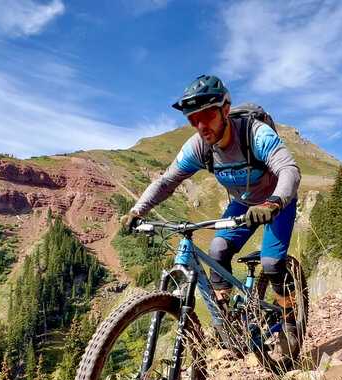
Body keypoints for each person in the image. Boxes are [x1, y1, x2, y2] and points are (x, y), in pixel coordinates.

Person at [121, 74, 301, 345]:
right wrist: (138, 210)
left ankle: (290, 323)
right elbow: (167, 181)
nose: (201, 125)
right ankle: (226, 322)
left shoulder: (255, 134)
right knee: (217, 251)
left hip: (276, 201)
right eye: (193, 119)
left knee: (272, 263)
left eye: (207, 115)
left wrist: (274, 202)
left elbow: (288, 169)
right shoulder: (198, 147)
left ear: (225, 110)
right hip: (242, 202)